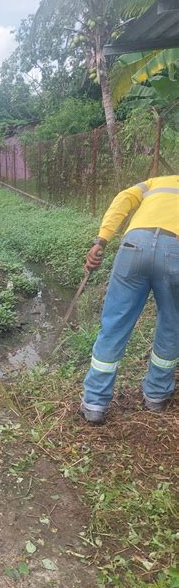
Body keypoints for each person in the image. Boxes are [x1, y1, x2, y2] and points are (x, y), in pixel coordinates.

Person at [81, 175, 179, 425]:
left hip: (134, 244)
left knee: (114, 325)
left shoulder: (158, 181)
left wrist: (101, 239)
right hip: (175, 251)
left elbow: (123, 198)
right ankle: (155, 397)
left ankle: (94, 403)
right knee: (172, 325)